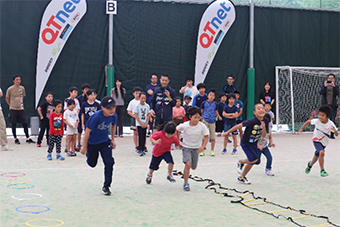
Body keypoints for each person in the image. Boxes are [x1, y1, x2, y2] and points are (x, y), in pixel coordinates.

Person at [223, 103, 269, 184]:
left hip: (254, 143)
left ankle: (242, 177)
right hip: (246, 143)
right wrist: (227, 132)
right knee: (253, 158)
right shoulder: (252, 121)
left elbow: (264, 135)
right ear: (254, 112)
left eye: (262, 108)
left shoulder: (265, 121)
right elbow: (238, 126)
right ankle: (241, 162)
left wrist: (264, 127)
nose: (261, 110)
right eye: (258, 109)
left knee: (256, 161)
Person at [80, 96, 117, 196]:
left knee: (109, 162)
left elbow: (113, 126)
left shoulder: (114, 116)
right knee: (92, 164)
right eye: (109, 108)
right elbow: (87, 131)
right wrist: (84, 146)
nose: (112, 110)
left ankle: (106, 186)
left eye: (113, 107)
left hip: (104, 142)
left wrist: (112, 139)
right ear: (102, 108)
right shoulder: (96, 117)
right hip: (92, 143)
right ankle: (89, 156)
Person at [297, 105, 338, 177]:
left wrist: (335, 131)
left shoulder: (331, 124)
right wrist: (301, 129)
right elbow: (308, 121)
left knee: (317, 155)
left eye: (322, 115)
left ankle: (310, 165)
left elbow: (337, 135)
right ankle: (322, 170)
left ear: (327, 117)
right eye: (319, 115)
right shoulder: (316, 121)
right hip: (316, 139)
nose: (320, 117)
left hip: (324, 142)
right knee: (321, 153)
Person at [177, 107, 209, 191]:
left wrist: (203, 146)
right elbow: (177, 130)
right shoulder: (185, 125)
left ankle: (188, 173)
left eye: (199, 117)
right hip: (186, 147)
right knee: (188, 164)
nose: (197, 119)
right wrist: (178, 141)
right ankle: (186, 183)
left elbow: (206, 136)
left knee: (193, 167)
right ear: (190, 117)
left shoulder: (202, 126)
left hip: (196, 148)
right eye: (195, 117)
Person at [5, 74, 35, 144]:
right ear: (14, 81)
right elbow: (7, 98)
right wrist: (11, 105)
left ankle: (28, 138)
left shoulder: (22, 88)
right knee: (13, 124)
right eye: (17, 80)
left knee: (24, 123)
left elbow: (22, 97)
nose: (18, 81)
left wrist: (20, 103)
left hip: (21, 108)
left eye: (19, 80)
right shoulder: (10, 89)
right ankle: (15, 138)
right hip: (13, 109)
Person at [200, 89, 221, 156]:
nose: (211, 96)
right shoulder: (204, 103)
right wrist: (201, 118)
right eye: (210, 95)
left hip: (212, 121)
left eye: (213, 95)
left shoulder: (215, 104)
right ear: (207, 96)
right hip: (205, 120)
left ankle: (212, 150)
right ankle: (202, 150)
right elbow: (202, 111)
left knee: (212, 137)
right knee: (204, 136)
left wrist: (219, 116)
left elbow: (216, 111)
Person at [127, 86, 142, 151]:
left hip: (142, 119)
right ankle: (136, 146)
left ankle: (142, 145)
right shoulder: (132, 102)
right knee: (135, 133)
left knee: (141, 133)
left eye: (139, 93)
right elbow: (128, 111)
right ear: (133, 94)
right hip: (134, 119)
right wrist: (134, 116)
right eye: (136, 93)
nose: (137, 95)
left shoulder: (142, 101)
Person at [76, 83, 91, 150]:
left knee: (87, 131)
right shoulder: (79, 98)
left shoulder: (90, 97)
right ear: (82, 90)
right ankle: (79, 144)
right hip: (80, 116)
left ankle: (87, 144)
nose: (87, 90)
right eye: (85, 89)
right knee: (79, 131)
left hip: (87, 117)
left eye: (88, 89)